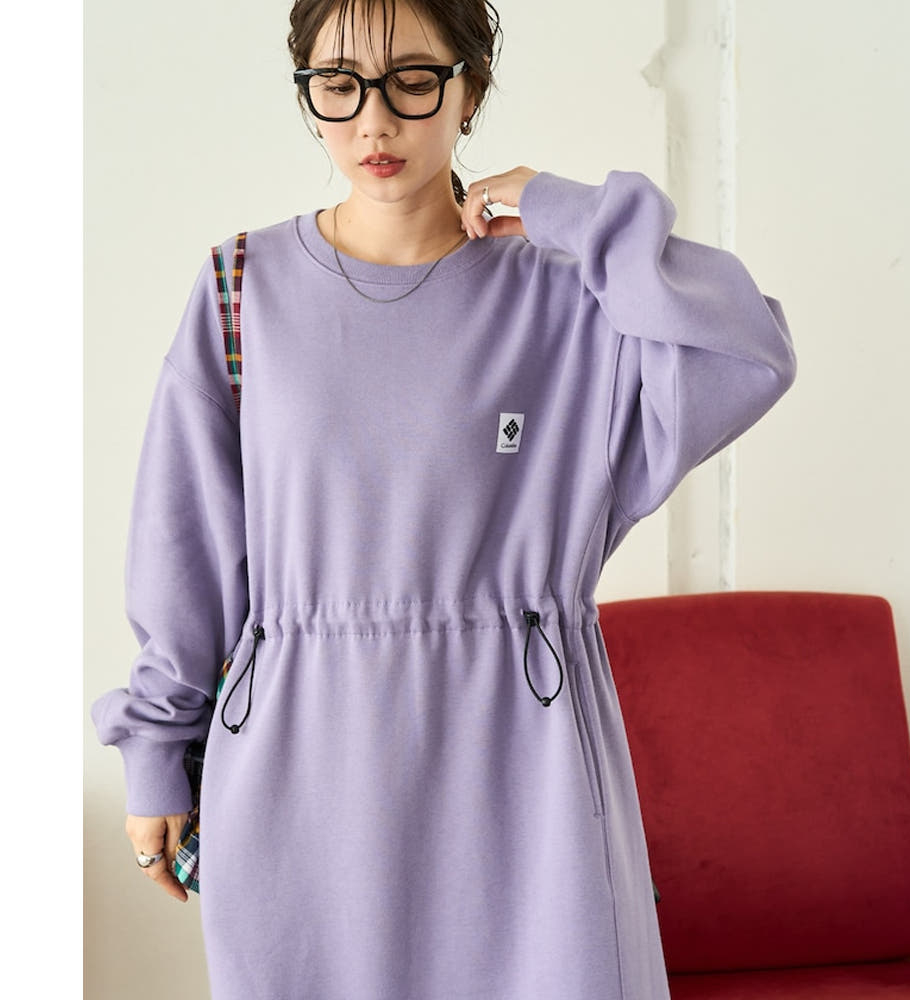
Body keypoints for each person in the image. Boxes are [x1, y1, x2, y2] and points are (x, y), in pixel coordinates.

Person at [91, 1, 796, 997]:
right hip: (302, 764)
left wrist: (572, 214)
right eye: (339, 84)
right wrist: (157, 749)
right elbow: (186, 541)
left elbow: (749, 352)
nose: (374, 121)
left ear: (470, 88)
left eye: (412, 80)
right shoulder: (240, 288)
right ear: (308, 94)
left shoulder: (569, 295)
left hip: (522, 764)